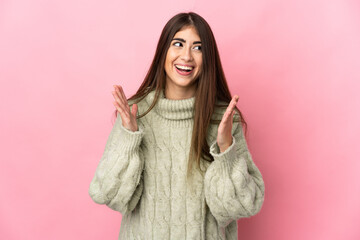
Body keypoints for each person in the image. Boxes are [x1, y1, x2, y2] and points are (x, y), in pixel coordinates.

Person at [88, 11, 265, 240]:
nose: (187, 56)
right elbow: (107, 194)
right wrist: (128, 139)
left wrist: (225, 149)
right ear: (163, 51)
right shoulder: (136, 113)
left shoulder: (223, 119)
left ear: (208, 58)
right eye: (178, 44)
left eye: (198, 48)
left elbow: (242, 206)